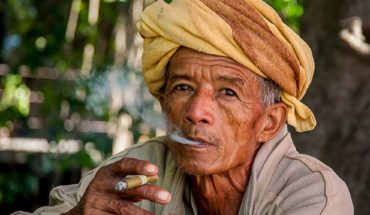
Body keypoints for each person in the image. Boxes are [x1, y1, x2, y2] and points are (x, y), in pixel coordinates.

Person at [14, 0, 353, 214]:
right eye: (183, 87)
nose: (195, 111)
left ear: (269, 122)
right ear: (163, 105)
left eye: (227, 92)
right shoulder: (144, 167)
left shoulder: (311, 196)